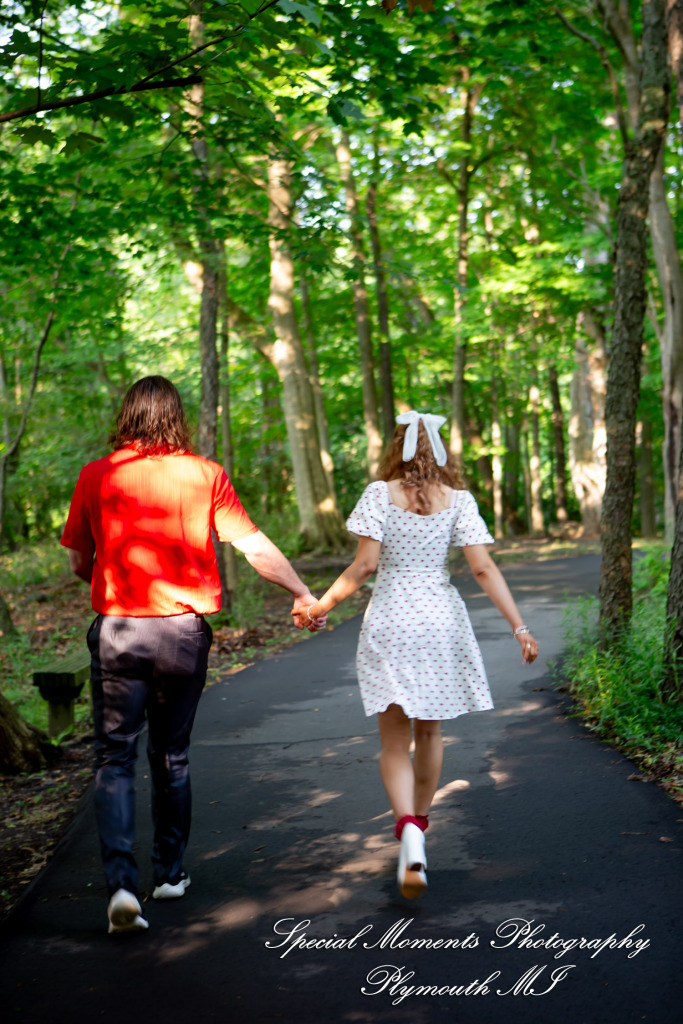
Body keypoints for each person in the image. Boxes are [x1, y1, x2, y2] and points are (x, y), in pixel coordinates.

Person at [62, 376, 324, 935]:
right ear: (176, 417)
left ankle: (122, 888)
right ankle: (170, 875)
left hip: (117, 631)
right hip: (182, 632)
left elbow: (79, 562)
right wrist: (302, 593)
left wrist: (104, 574)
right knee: (171, 754)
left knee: (113, 758)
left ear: (127, 415)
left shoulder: (97, 475)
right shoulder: (205, 474)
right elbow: (254, 545)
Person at [296, 411, 538, 900]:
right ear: (441, 447)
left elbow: (364, 566)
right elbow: (484, 568)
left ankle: (405, 825)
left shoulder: (377, 495)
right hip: (439, 618)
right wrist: (520, 626)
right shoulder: (460, 501)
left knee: (392, 740)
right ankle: (419, 826)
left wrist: (318, 607)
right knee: (430, 730)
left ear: (396, 446)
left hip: (391, 618)